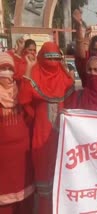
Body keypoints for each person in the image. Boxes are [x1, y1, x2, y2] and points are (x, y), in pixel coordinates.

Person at [18, 42, 74, 214]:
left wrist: (35, 116)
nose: (52, 62)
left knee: (59, 180)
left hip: (55, 137)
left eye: (55, 58)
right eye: (49, 57)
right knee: (44, 183)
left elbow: (25, 101)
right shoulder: (62, 78)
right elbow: (24, 100)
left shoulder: (64, 79)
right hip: (43, 138)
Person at [0, 52, 34, 214]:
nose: (6, 72)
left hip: (22, 158)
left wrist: (28, 67)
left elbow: (28, 95)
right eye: (2, 68)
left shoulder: (19, 90)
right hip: (3, 161)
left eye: (9, 68)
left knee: (24, 203)